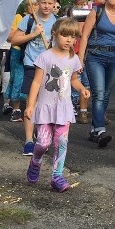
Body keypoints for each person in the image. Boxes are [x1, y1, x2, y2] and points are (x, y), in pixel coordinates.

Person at [24, 17, 91, 192]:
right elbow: (37, 83)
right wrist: (31, 105)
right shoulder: (45, 57)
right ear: (54, 34)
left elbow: (73, 79)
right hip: (45, 107)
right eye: (65, 35)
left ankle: (57, 176)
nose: (69, 40)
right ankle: (35, 162)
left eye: (73, 37)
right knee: (43, 144)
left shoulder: (74, 58)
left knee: (61, 141)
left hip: (63, 108)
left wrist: (82, 88)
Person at [10, 0, 60, 156]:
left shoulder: (58, 22)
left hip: (51, 68)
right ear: (37, 2)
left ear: (54, 4)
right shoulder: (29, 20)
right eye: (43, 2)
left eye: (50, 3)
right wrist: (34, 34)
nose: (46, 6)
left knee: (47, 105)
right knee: (31, 103)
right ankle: (29, 141)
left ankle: (42, 136)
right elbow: (13, 39)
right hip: (32, 65)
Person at [77, 0, 115, 148]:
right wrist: (80, 59)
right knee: (98, 92)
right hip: (95, 56)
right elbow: (84, 36)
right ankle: (99, 128)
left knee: (105, 93)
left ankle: (93, 130)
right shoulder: (96, 11)